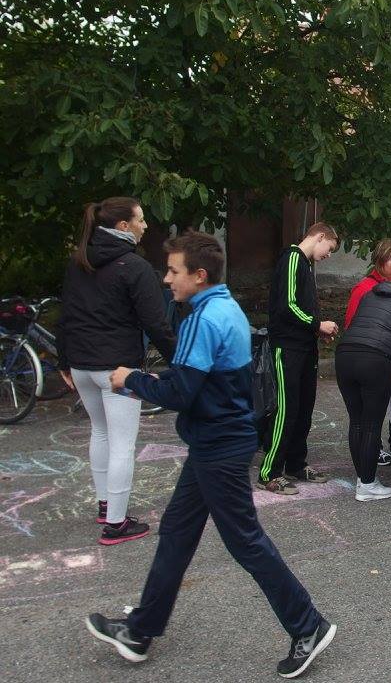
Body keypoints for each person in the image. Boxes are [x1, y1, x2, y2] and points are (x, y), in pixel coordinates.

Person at [86, 232, 335, 678]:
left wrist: (131, 379)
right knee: (177, 534)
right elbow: (194, 381)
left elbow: (181, 392)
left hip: (219, 447)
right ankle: (140, 631)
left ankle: (308, 624)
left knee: (245, 542)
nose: (167, 280)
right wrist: (147, 379)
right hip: (215, 442)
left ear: (199, 275)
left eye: (173, 271)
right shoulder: (225, 307)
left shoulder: (202, 320)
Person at [55, 197, 177, 545]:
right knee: (123, 443)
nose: (145, 226)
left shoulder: (79, 261)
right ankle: (116, 524)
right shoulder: (135, 267)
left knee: (101, 432)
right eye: (141, 220)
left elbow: (66, 314)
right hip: (118, 367)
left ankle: (106, 505)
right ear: (123, 226)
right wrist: (181, 361)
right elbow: (156, 324)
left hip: (81, 364)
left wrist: (63, 361)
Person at [257, 222, 340, 495]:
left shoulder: (305, 264)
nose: (328, 255)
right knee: (286, 408)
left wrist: (316, 331)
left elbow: (300, 307)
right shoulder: (293, 258)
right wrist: (317, 324)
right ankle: (269, 472)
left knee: (304, 408)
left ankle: (296, 463)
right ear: (320, 236)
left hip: (304, 348)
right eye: (329, 248)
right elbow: (288, 305)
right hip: (288, 348)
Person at [335, 278, 391, 502]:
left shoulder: (370, 295)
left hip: (344, 354)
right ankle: (368, 484)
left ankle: (362, 478)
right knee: (372, 424)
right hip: (375, 358)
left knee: (356, 421)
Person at [343, 238, 391, 464]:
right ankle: (373, 449)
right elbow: (351, 324)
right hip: (370, 356)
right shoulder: (364, 289)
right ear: (381, 261)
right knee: (368, 411)